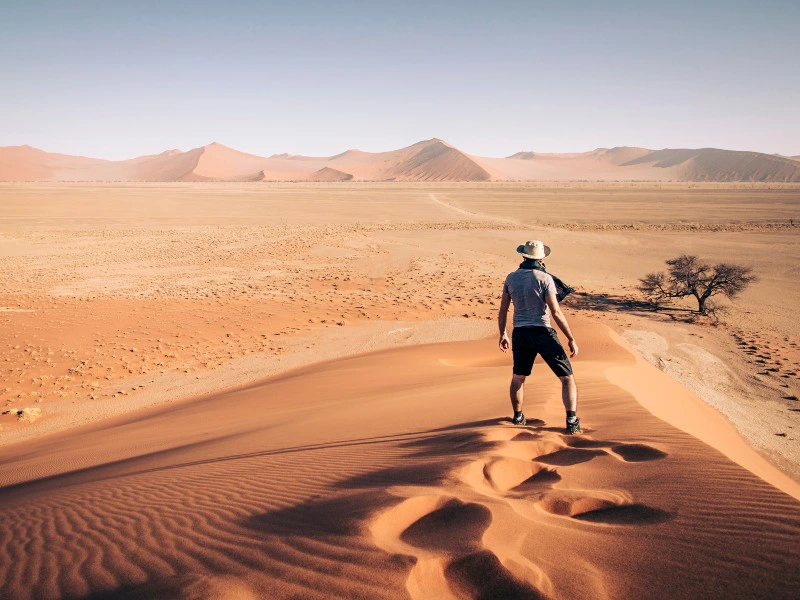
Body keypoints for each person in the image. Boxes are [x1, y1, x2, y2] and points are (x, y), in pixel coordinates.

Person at [497, 240, 581, 434]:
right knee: (567, 378)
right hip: (542, 332)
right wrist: (570, 338)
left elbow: (502, 310)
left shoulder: (511, 278)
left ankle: (518, 417)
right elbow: (555, 312)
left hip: (520, 333)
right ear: (541, 258)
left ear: (523, 256)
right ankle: (571, 421)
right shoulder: (544, 278)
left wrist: (503, 334)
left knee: (518, 377)